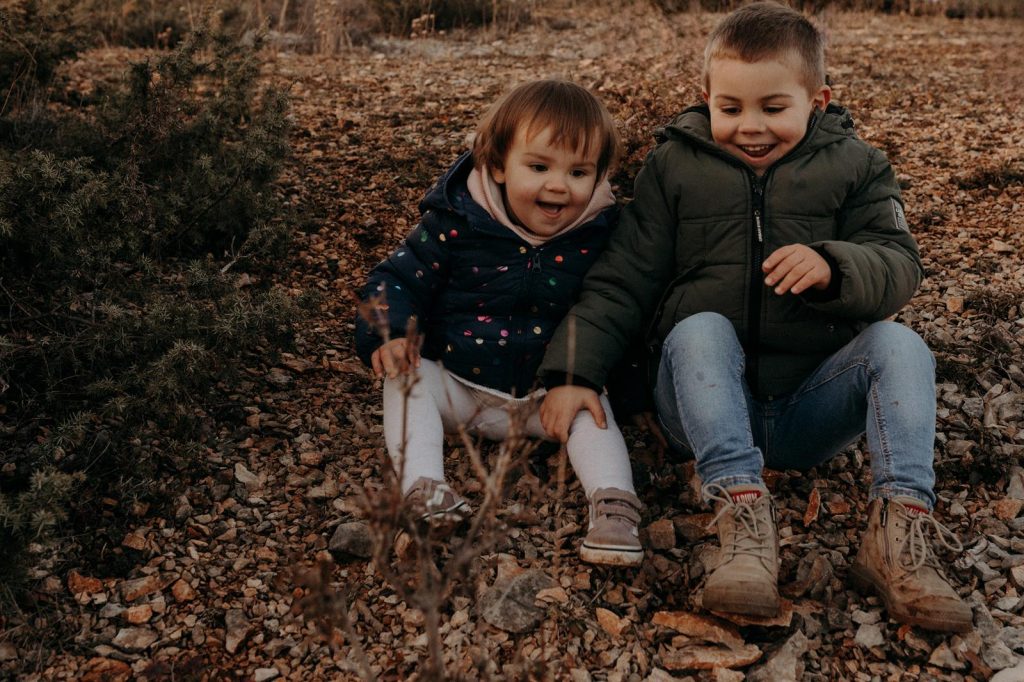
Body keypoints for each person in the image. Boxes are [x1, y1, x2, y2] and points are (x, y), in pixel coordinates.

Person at [538, 2, 971, 631]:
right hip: (700, 406)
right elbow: (623, 278)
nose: (751, 127)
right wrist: (575, 370)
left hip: (807, 411)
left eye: (774, 108)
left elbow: (898, 262)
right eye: (732, 108)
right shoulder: (676, 166)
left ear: (818, 101)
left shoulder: (856, 167)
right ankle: (740, 519)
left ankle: (900, 529)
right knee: (701, 326)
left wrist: (834, 265)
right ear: (706, 97)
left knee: (900, 346)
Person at [355, 79, 643, 567]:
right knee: (408, 377)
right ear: (496, 166)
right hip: (461, 386)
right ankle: (424, 488)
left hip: (546, 398)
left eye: (579, 172)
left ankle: (614, 504)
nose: (559, 185)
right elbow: (397, 276)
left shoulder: (601, 234)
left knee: (593, 411)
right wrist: (389, 332)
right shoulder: (457, 221)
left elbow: (619, 303)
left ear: (599, 177)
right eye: (538, 166)